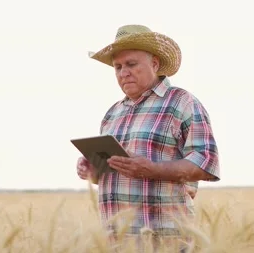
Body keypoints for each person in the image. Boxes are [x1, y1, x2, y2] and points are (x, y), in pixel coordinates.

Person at [76, 24, 221, 252]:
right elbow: (115, 174)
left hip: (166, 241)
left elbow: (206, 163)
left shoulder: (182, 103)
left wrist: (151, 169)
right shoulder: (112, 113)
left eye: (131, 64)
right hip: (117, 242)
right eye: (118, 67)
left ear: (154, 63)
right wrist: (93, 172)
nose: (124, 72)